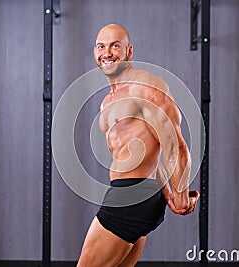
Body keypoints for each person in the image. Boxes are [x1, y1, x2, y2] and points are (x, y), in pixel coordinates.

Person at [77, 24, 199, 267]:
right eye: (102, 46)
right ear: (94, 52)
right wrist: (167, 193)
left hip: (130, 197)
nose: (107, 53)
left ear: (129, 51)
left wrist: (181, 195)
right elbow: (147, 154)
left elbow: (174, 144)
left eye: (115, 46)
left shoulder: (145, 86)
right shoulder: (108, 99)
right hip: (139, 193)